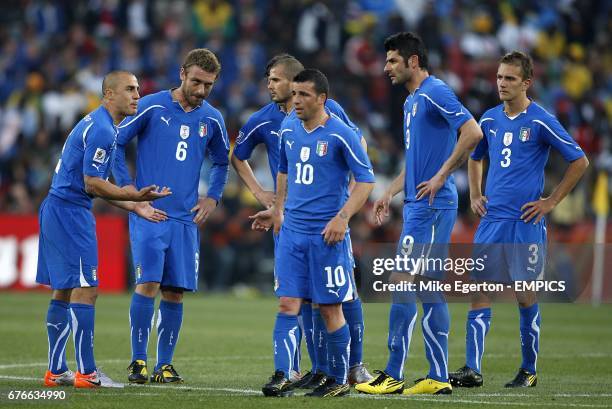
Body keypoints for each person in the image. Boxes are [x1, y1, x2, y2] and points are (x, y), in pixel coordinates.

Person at [231, 54, 372, 389]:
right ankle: (301, 370)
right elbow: (261, 164)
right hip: (293, 224)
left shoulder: (332, 114)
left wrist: (344, 209)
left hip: (329, 225)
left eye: (277, 79)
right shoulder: (275, 123)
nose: (271, 85)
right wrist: (273, 203)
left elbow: (360, 157)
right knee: (298, 300)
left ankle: (352, 367)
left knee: (340, 298)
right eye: (270, 79)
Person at [449, 51, 588, 388]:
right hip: (492, 220)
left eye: (510, 78)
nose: (502, 83)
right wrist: (476, 194)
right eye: (499, 77)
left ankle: (529, 370)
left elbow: (579, 161)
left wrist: (550, 201)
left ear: (526, 82)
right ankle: (472, 368)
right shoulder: (489, 120)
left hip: (525, 223)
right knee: (480, 291)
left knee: (525, 294)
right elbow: (475, 156)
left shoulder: (540, 120)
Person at [355, 32, 483, 395]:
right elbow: (415, 162)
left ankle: (394, 374)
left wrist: (441, 176)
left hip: (432, 205)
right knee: (427, 288)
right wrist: (389, 193)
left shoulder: (436, 91)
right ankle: (438, 376)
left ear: (413, 61)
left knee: (402, 280)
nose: (386, 67)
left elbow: (472, 133)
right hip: (416, 204)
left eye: (392, 60)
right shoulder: (412, 101)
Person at [39, 71, 171, 389]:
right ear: (109, 94)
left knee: (65, 289)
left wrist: (135, 205)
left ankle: (56, 370)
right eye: (129, 89)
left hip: (57, 208)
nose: (137, 94)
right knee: (88, 289)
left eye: (139, 88)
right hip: (70, 214)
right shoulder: (101, 129)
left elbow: (101, 186)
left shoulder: (102, 124)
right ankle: (87, 373)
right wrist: (133, 195)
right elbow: (93, 183)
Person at [113, 49, 230, 384]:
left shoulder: (212, 119)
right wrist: (129, 191)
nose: (201, 90)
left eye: (208, 84)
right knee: (148, 283)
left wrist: (214, 198)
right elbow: (117, 142)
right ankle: (138, 361)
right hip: (150, 212)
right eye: (196, 81)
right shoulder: (151, 105)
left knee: (175, 292)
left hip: (185, 220)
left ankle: (164, 365)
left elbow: (222, 161)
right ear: (182, 73)